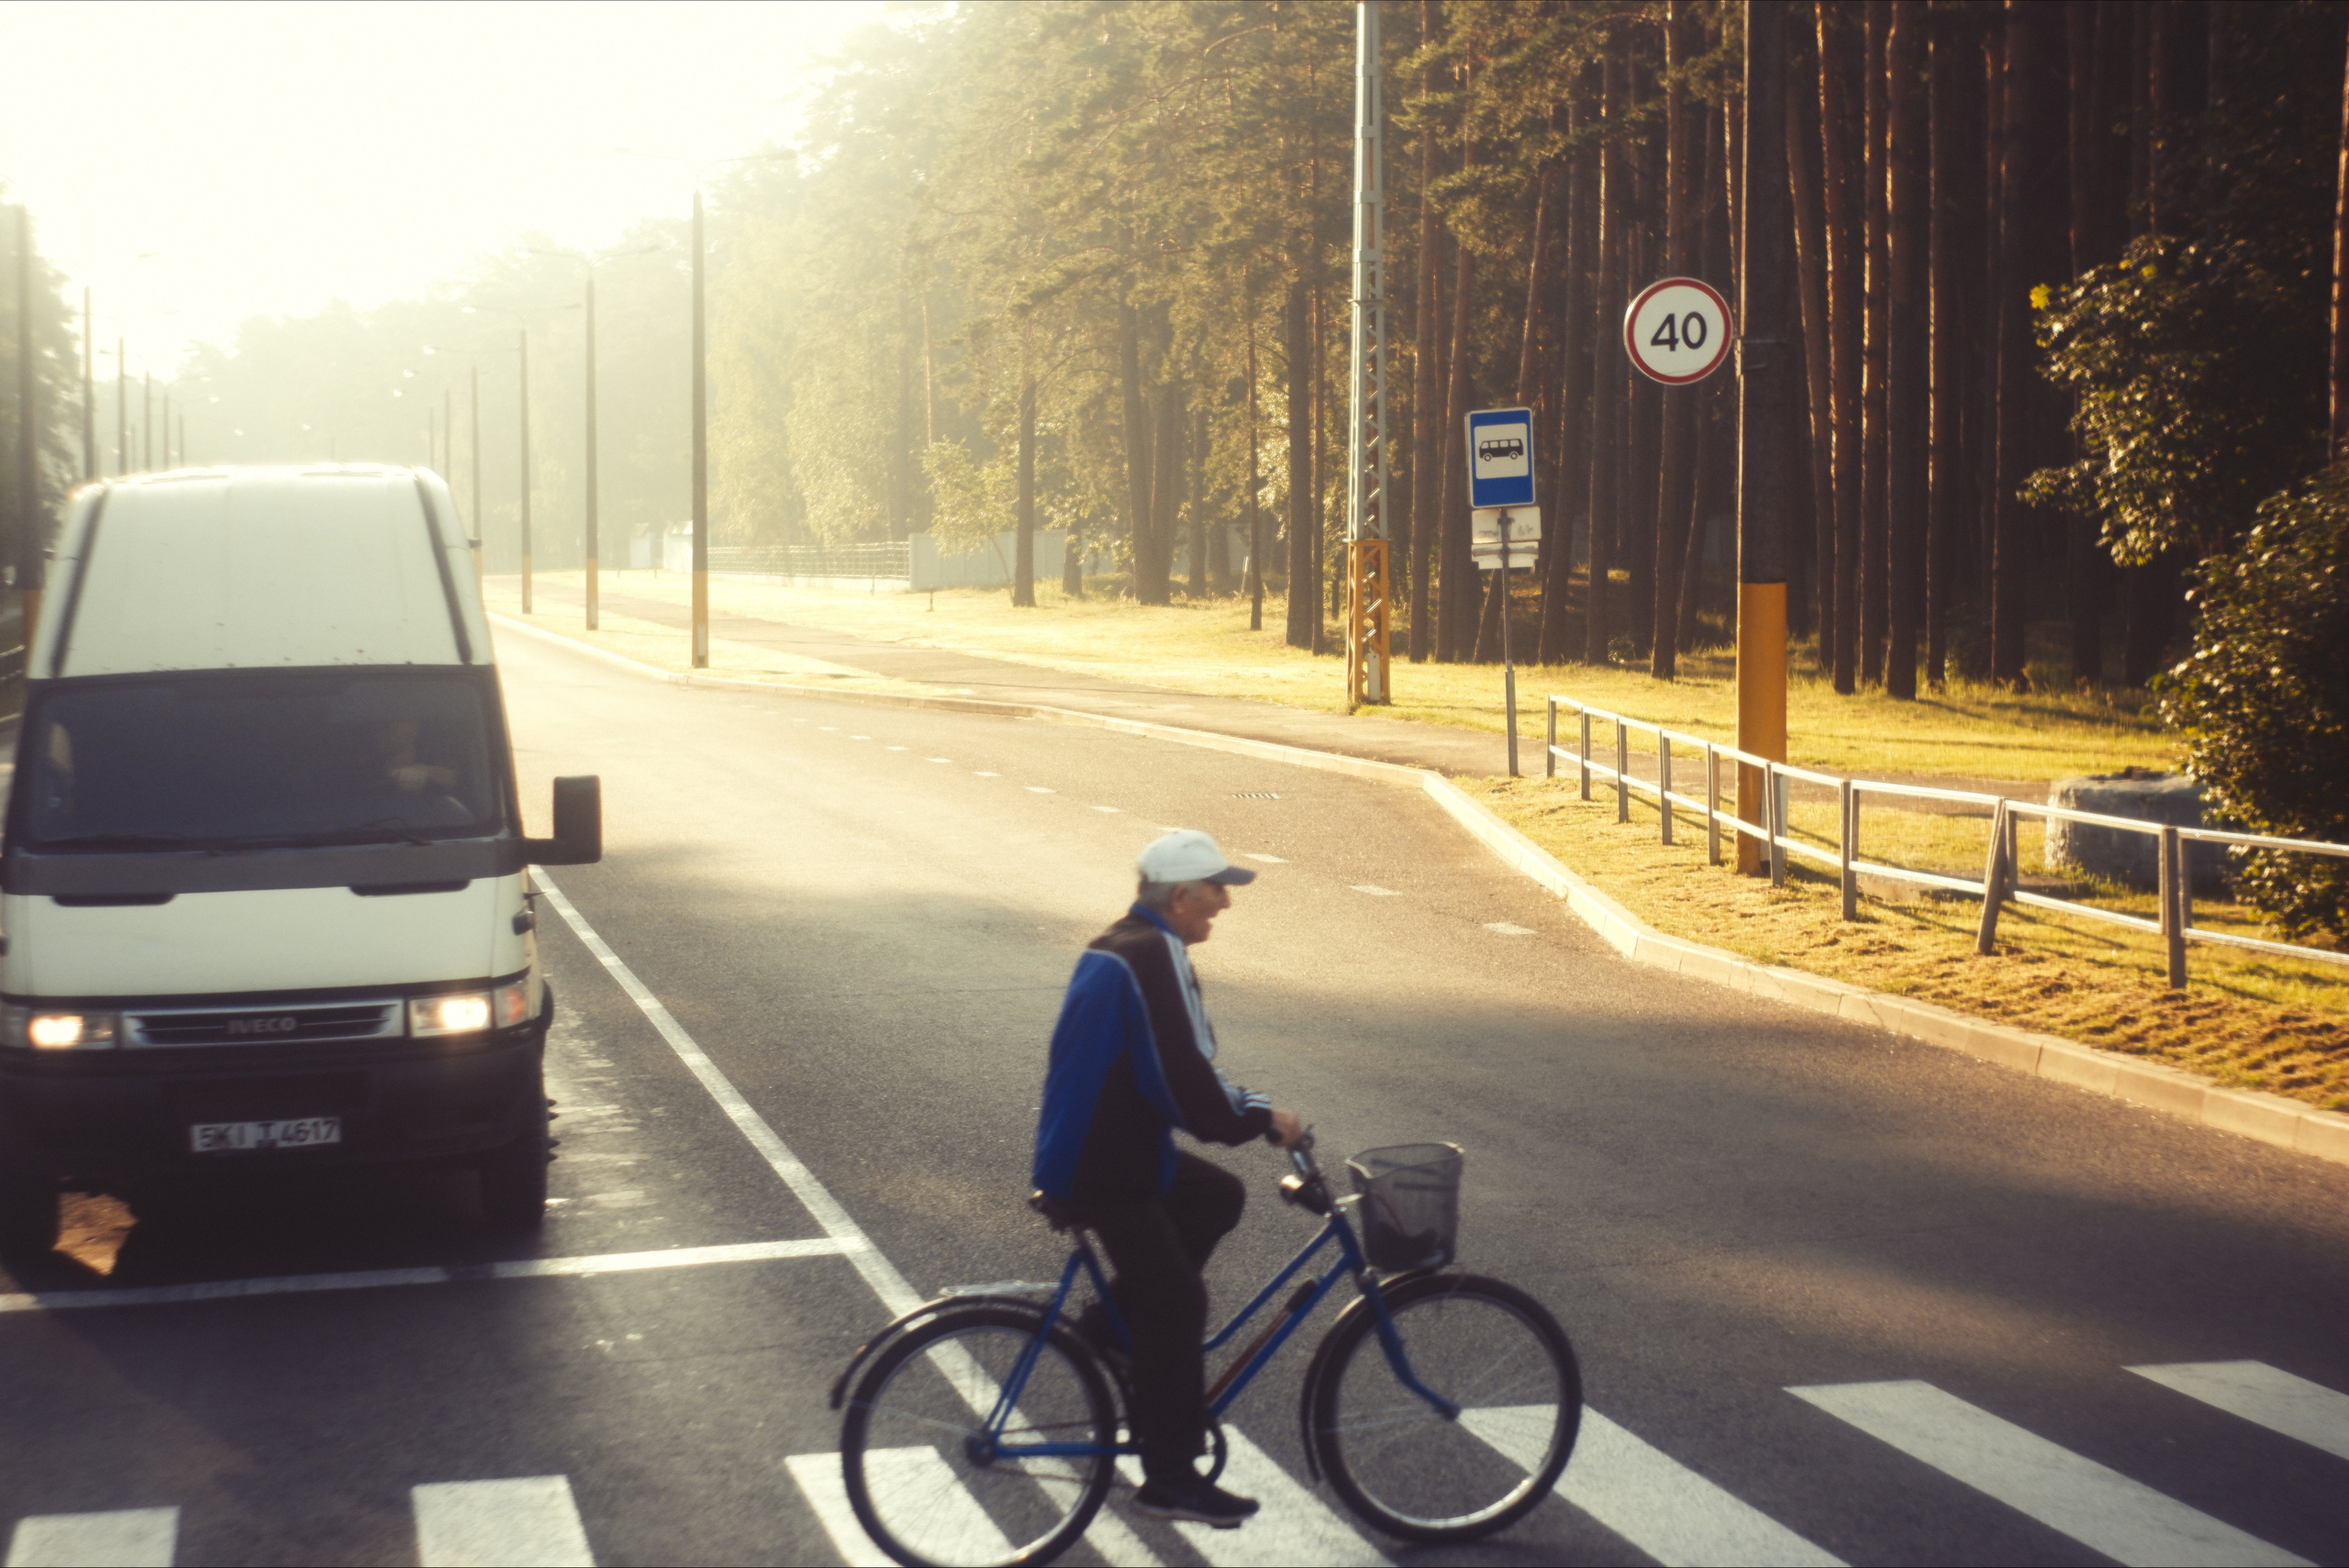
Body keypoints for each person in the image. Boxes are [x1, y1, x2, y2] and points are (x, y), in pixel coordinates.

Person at [1031, 828, 1302, 1529]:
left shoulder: (1127, 942)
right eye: (1216, 890)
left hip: (1105, 1147)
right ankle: (1171, 1475)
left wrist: (1254, 1107)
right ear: (1181, 895)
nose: (1224, 904)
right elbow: (1180, 1081)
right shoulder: (1152, 955)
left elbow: (1178, 1066)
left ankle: (1109, 1329)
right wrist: (1258, 1119)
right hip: (1103, 1165)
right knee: (1179, 1304)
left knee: (1217, 1194)